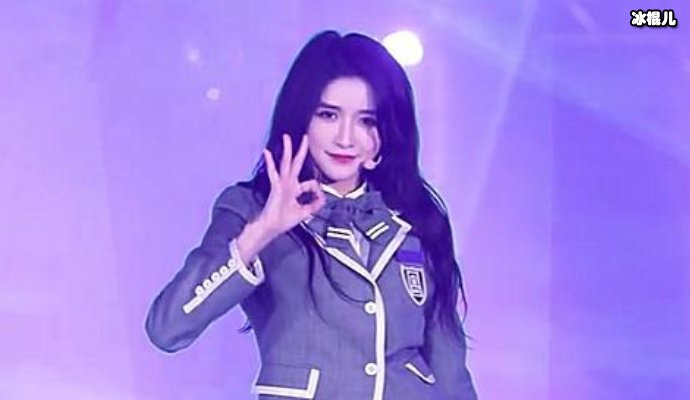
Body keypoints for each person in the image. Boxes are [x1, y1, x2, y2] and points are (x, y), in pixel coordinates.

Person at [145, 30, 477, 400]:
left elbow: (450, 371)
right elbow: (167, 327)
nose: (346, 138)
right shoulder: (251, 208)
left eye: (367, 121)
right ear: (301, 118)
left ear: (386, 134)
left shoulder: (418, 220)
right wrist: (262, 231)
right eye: (328, 115)